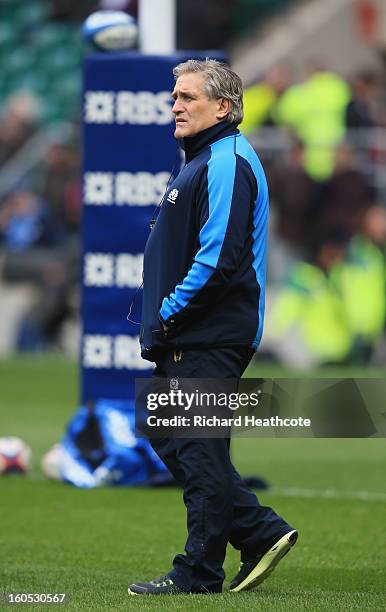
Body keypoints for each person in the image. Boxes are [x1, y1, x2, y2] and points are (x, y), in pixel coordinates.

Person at [129, 59, 297, 596]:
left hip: (209, 333)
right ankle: (259, 530)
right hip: (195, 333)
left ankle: (197, 573)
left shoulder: (225, 160)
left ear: (222, 107)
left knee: (199, 450)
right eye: (173, 96)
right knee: (167, 431)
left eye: (187, 97)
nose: (174, 105)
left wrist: (167, 314)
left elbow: (219, 258)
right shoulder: (205, 158)